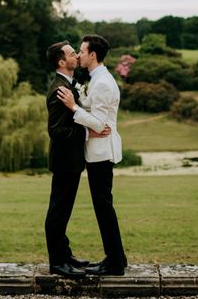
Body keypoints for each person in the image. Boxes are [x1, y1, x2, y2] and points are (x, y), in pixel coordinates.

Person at [57, 34, 128, 276]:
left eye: (82, 51)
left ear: (93, 55)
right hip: (98, 152)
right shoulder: (98, 79)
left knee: (103, 207)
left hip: (100, 153)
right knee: (103, 206)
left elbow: (99, 123)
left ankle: (115, 262)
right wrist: (79, 96)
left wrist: (73, 107)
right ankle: (118, 257)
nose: (79, 55)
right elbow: (93, 106)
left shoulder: (103, 83)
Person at [44, 41, 110, 278]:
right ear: (62, 62)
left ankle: (65, 254)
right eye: (73, 53)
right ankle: (57, 262)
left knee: (64, 209)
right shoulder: (60, 90)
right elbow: (56, 131)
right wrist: (87, 132)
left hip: (71, 161)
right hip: (64, 161)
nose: (77, 56)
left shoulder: (69, 86)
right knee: (58, 211)